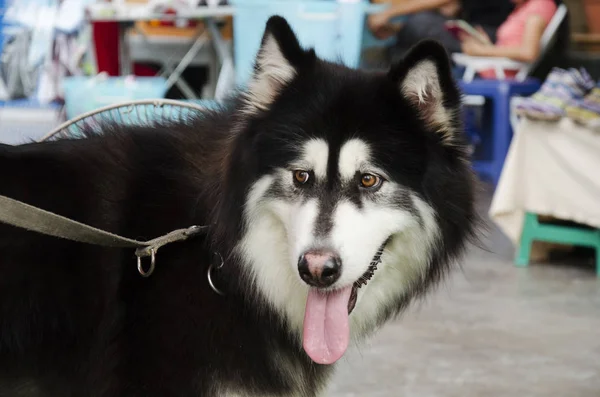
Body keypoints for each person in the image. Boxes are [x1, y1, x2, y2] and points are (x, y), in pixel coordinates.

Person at [368, 0, 515, 61]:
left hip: (492, 36)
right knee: (400, 51)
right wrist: (395, 29)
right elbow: (449, 12)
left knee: (420, 22)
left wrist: (388, 13)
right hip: (470, 32)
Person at [459, 0, 559, 79]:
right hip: (492, 69)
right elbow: (511, 45)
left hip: (500, 75)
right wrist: (485, 43)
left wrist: (482, 51)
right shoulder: (522, 7)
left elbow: (529, 52)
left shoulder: (540, 5)